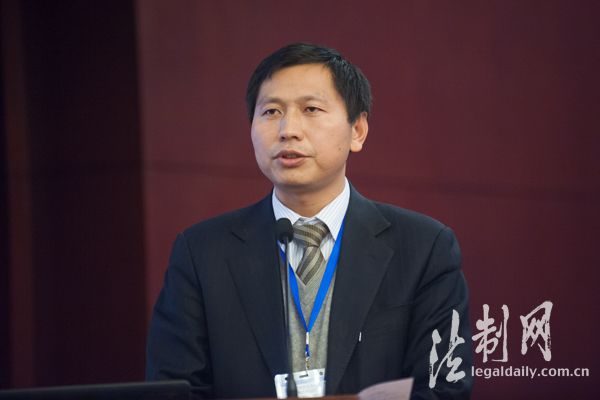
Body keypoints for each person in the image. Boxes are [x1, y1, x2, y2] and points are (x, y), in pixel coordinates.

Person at [146, 43, 473, 399]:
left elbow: (444, 389)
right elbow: (174, 391)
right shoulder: (202, 253)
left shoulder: (423, 248)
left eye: (311, 109)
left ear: (357, 130)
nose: (288, 129)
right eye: (271, 111)